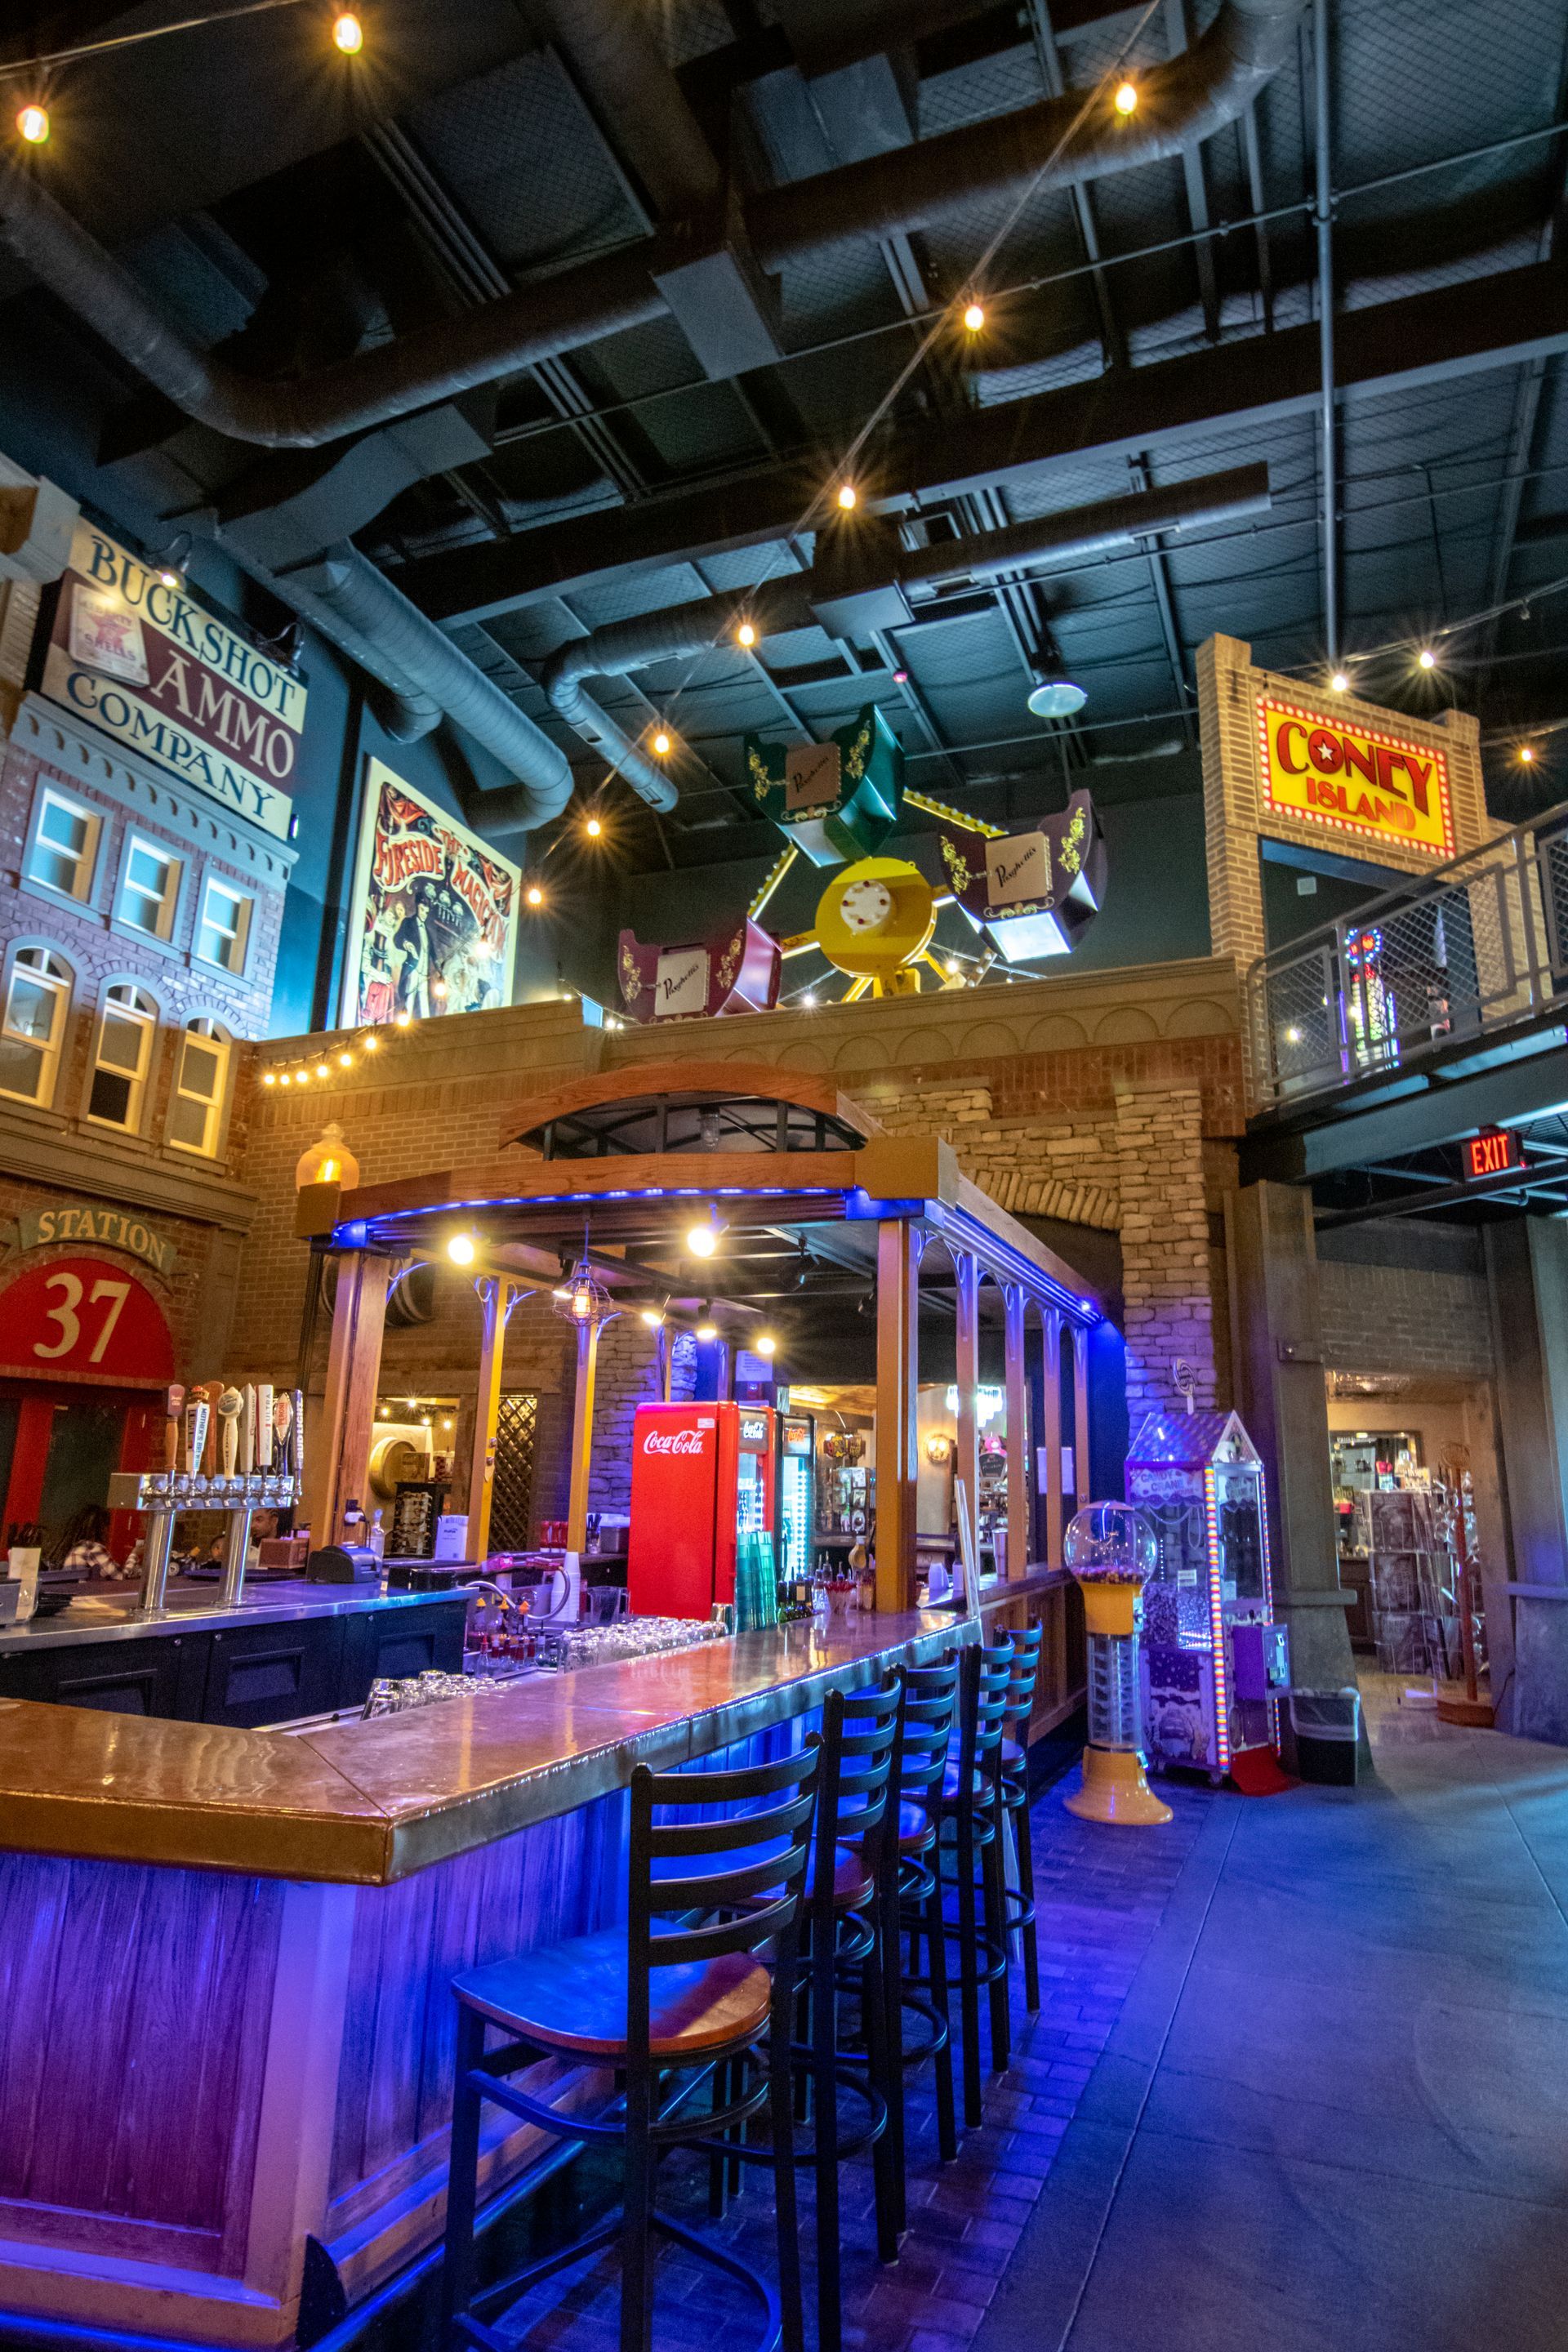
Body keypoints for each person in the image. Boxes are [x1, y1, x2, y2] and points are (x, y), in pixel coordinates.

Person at [56, 1504, 119, 1579]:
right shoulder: (90, 1548)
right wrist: (134, 1553)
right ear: (101, 1528)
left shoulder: (73, 1548)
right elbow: (119, 1577)